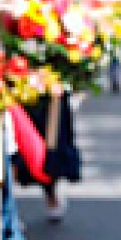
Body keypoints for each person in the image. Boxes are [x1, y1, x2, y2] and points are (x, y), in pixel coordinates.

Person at [12, 92, 81, 223]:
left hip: (50, 88)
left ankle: (51, 193)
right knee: (14, 146)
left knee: (51, 145)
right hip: (17, 84)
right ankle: (8, 208)